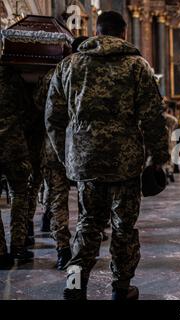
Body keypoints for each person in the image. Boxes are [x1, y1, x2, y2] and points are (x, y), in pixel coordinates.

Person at [45, 11, 169, 300]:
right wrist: (159, 157)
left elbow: (52, 117)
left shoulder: (69, 65)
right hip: (124, 163)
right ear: (124, 34)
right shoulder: (137, 67)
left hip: (85, 160)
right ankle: (121, 289)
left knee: (87, 224)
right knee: (123, 227)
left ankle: (74, 286)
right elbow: (153, 117)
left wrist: (68, 156)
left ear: (97, 32)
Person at [35, 36, 88, 270]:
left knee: (57, 200)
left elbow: (39, 106)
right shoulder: (91, 72)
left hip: (54, 147)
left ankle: (62, 250)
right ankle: (86, 244)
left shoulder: (53, 73)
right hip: (84, 147)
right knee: (87, 198)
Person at [0, 65, 34, 268]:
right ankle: (18, 246)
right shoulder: (11, 74)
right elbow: (28, 108)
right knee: (20, 194)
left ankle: (0, 252)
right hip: (14, 144)